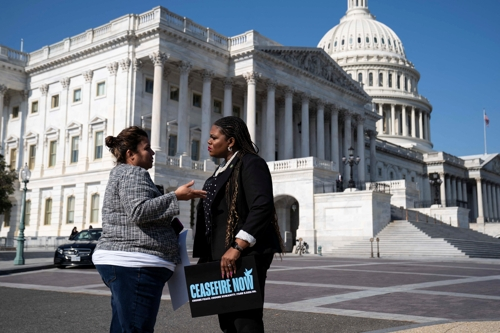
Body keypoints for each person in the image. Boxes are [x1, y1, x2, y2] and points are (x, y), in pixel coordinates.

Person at [93, 126, 206, 333]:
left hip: (127, 262)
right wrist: (176, 197)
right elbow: (139, 211)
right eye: (147, 148)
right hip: (135, 263)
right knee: (136, 329)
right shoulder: (134, 173)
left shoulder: (122, 173)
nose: (153, 153)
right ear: (131, 155)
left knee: (123, 327)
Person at [193, 116, 284, 333]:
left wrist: (237, 246)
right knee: (227, 321)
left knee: (245, 320)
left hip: (243, 254)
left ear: (231, 141)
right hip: (220, 256)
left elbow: (261, 206)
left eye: (214, 138)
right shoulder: (221, 170)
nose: (209, 142)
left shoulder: (251, 163)